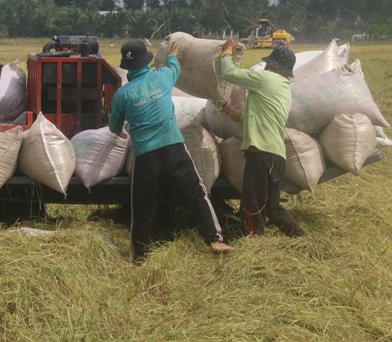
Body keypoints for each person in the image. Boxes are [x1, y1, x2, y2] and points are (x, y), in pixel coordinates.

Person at [108, 40, 233, 262]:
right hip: (173, 146)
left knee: (143, 206)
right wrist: (174, 53)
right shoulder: (162, 77)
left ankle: (140, 256)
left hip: (146, 155)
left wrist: (124, 127)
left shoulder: (122, 95)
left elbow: (114, 128)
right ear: (146, 60)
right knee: (196, 193)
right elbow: (175, 66)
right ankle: (215, 238)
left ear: (127, 67)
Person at [218, 38, 305, 237]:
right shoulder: (283, 88)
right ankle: (298, 235)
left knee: (252, 204)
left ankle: (253, 239)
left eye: (268, 63)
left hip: (261, 155)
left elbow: (228, 73)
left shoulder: (265, 79)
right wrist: (232, 112)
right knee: (272, 206)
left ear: (273, 65)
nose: (265, 65)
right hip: (276, 156)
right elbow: (259, 116)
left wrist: (227, 51)